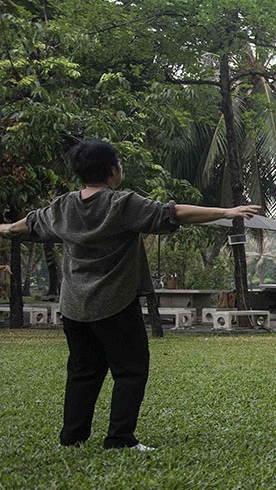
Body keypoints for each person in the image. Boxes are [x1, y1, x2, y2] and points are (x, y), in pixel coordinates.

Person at [0, 139, 261, 450]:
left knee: (83, 371)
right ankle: (120, 438)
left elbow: (27, 224)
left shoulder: (63, 207)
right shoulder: (121, 205)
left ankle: (72, 438)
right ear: (113, 171)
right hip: (114, 304)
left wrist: (4, 229)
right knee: (131, 370)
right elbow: (174, 213)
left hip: (74, 308)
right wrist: (226, 210)